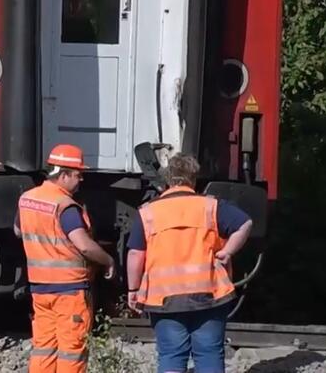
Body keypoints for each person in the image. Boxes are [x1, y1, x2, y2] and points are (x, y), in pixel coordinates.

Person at [126, 154, 253, 373]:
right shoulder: (211, 206)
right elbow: (245, 223)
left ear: (167, 179)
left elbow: (136, 254)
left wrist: (133, 289)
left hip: (164, 300)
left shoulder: (148, 212)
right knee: (209, 354)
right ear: (193, 179)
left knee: (172, 355)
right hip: (209, 295)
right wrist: (227, 252)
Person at [15, 144, 116, 373]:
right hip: (69, 290)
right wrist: (108, 260)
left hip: (40, 288)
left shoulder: (27, 199)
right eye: (78, 175)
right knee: (72, 350)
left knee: (44, 348)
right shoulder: (65, 206)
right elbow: (84, 246)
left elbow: (18, 231)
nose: (81, 180)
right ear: (63, 175)